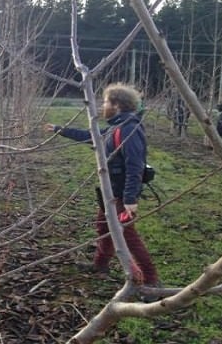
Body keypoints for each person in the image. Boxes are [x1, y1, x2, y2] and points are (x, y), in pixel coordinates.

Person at [44, 83, 159, 296]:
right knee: (103, 227)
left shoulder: (128, 129)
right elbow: (91, 137)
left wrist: (130, 199)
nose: (102, 105)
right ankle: (100, 264)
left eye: (105, 101)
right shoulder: (116, 126)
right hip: (110, 192)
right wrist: (60, 129)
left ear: (116, 104)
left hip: (121, 194)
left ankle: (151, 280)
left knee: (127, 235)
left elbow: (135, 165)